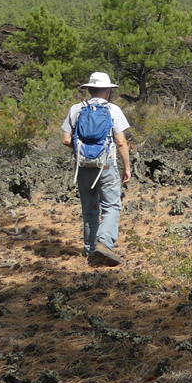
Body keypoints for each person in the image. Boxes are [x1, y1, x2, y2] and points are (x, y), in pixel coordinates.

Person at [60, 72, 131, 267]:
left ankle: (91, 249)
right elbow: (121, 142)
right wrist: (127, 168)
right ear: (108, 91)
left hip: (82, 167)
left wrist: (84, 152)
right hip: (106, 166)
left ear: (89, 89)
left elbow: (66, 139)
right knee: (111, 206)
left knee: (89, 208)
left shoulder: (76, 109)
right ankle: (104, 243)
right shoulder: (113, 110)